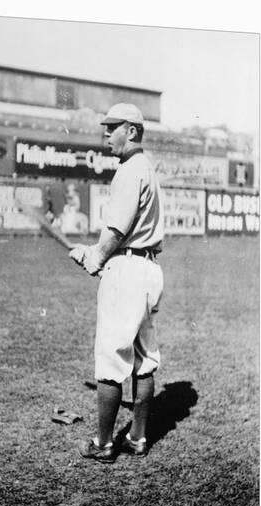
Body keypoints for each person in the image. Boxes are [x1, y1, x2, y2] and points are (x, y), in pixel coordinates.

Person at [70, 103, 164, 463]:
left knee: (111, 359)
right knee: (144, 359)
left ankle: (104, 443)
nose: (105, 134)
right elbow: (127, 233)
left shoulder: (128, 170)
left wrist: (97, 256)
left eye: (112, 128)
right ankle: (137, 438)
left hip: (126, 271)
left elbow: (116, 231)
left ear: (133, 131)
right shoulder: (147, 168)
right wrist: (92, 251)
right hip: (148, 269)